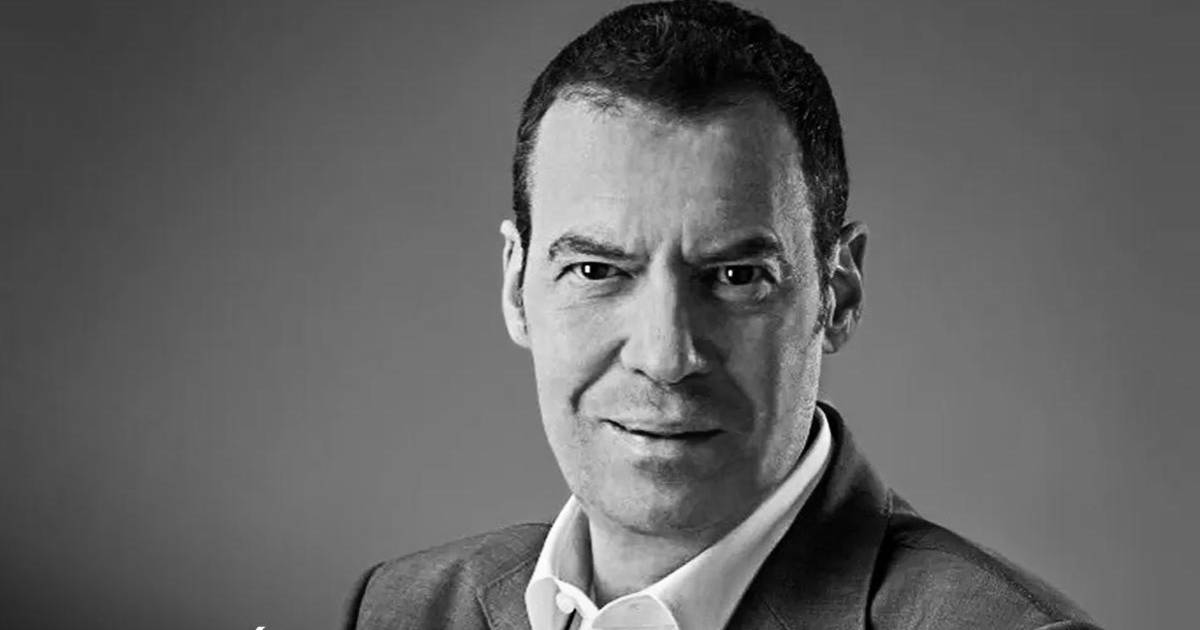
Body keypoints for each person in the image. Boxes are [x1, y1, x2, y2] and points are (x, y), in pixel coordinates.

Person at [345, 1, 1099, 628]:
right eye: (596, 271)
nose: (665, 357)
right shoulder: (401, 609)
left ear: (838, 293)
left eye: (737, 277)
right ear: (517, 289)